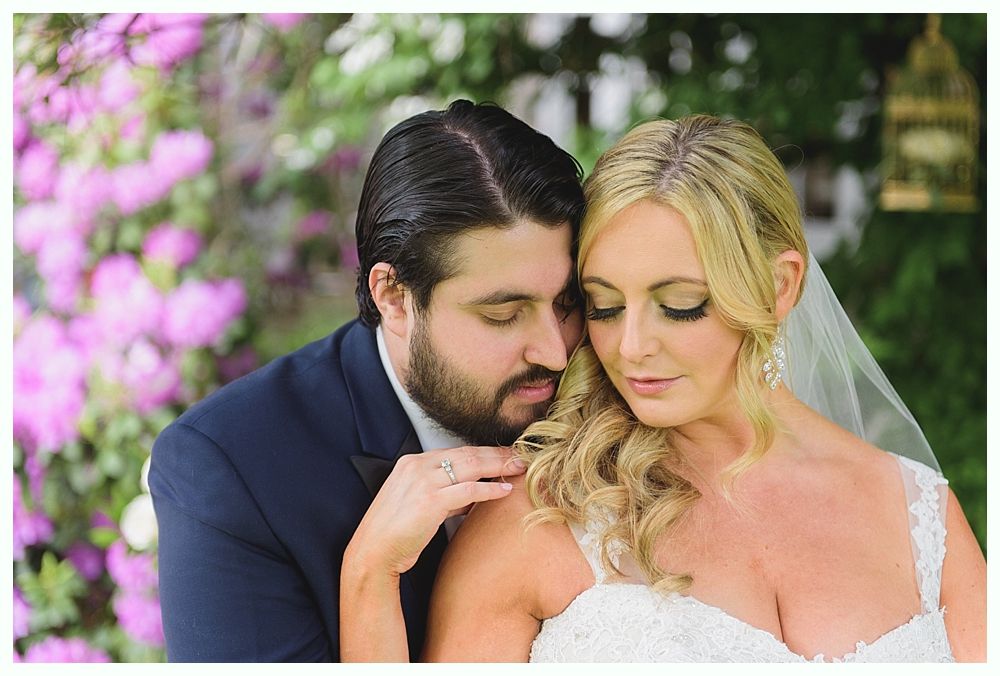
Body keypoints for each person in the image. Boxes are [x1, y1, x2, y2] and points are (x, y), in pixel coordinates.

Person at [397, 115, 984, 661]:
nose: (630, 347)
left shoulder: (918, 511)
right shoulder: (536, 515)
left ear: (780, 287)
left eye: (679, 305)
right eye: (602, 306)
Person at [148, 99, 585, 661]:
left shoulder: (618, 391)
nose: (555, 351)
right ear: (395, 298)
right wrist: (368, 572)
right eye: (503, 315)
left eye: (568, 302)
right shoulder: (230, 468)